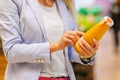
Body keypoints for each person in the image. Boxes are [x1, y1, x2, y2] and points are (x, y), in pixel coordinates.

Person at [0, 0, 99, 80]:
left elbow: (69, 49)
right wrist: (55, 46)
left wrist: (86, 53)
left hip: (65, 77)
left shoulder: (66, 3)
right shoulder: (12, 1)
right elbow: (11, 51)